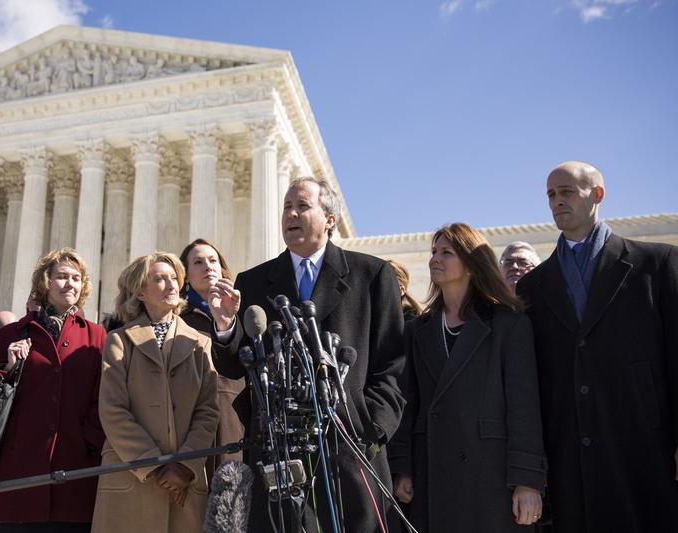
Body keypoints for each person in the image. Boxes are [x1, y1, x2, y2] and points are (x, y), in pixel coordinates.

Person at [211, 177, 406, 532]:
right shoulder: (252, 282)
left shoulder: (372, 275)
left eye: (302, 206)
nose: (291, 214)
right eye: (286, 207)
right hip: (276, 450)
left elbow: (392, 364)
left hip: (349, 448)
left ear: (329, 218)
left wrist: (373, 427)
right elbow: (234, 364)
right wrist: (226, 325)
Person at [516, 161, 678, 533]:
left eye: (567, 192)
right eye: (551, 195)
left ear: (597, 195)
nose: (557, 201)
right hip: (570, 457)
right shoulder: (532, 287)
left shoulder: (655, 264)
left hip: (645, 447)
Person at [388, 223, 546, 532]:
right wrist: (402, 468)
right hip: (432, 474)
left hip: (491, 477)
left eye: (447, 252)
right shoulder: (416, 330)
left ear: (473, 264)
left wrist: (528, 483)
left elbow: (524, 409)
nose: (435, 259)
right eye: (434, 251)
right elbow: (407, 405)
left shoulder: (509, 325)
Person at [0, 248, 106, 532]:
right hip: (21, 468)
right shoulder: (10, 334)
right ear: (45, 282)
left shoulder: (97, 335)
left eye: (76, 278)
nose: (70, 283)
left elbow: (104, 393)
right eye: (61, 277)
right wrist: (7, 367)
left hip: (76, 468)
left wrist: (89, 440)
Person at [91, 253, 219, 533]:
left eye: (174, 277)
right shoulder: (119, 340)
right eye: (159, 279)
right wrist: (156, 466)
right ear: (140, 291)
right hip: (132, 481)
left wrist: (185, 465)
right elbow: (113, 410)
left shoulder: (200, 343)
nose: (171, 284)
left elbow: (208, 411)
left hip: (184, 484)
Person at [179, 239, 246, 469]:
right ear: (186, 275)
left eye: (213, 260)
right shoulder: (176, 319)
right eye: (198, 262)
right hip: (190, 427)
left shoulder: (244, 313)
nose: (208, 266)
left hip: (235, 419)